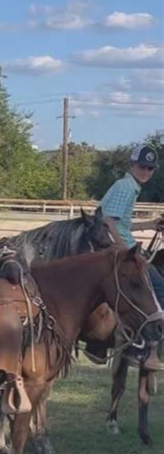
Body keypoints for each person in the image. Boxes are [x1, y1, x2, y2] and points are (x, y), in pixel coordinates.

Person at [100, 144, 164, 370]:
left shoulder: (128, 186)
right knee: (158, 288)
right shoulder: (126, 186)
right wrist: (126, 253)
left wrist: (150, 224)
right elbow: (108, 222)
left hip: (124, 245)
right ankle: (146, 350)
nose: (146, 171)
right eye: (143, 166)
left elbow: (122, 224)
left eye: (150, 168)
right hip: (122, 250)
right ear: (132, 165)